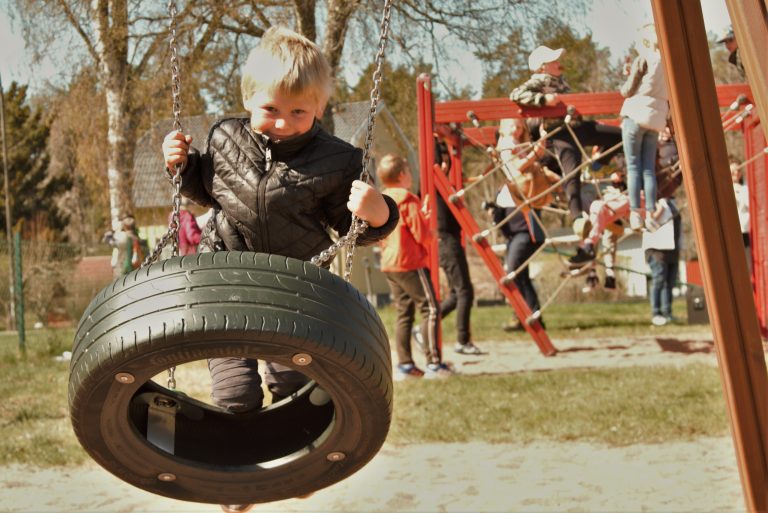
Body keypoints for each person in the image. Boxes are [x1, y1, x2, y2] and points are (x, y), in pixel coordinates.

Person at [161, 27, 398, 413]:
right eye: (271, 109)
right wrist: (180, 164)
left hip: (293, 290)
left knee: (291, 383)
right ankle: (234, 461)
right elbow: (204, 190)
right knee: (235, 391)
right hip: (224, 282)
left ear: (318, 108)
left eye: (298, 112)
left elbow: (349, 225)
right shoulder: (225, 136)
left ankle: (290, 455)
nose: (283, 123)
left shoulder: (337, 161)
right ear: (249, 99)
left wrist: (379, 212)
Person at [509, 45, 622, 222]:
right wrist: (543, 100)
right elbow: (516, 94)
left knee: (618, 136)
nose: (558, 63)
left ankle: (598, 163)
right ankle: (577, 217)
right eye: (553, 60)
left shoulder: (560, 80)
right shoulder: (540, 81)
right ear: (543, 66)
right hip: (560, 132)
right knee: (572, 171)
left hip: (578, 127)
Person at [377, 153, 453, 380]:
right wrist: (433, 233)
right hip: (410, 262)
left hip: (390, 263)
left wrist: (421, 216)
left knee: (404, 313)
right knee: (430, 309)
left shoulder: (383, 199)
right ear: (402, 175)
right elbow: (420, 234)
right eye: (409, 171)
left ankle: (406, 365)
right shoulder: (409, 200)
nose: (411, 175)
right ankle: (434, 363)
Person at [434, 137, 482, 355]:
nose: (444, 165)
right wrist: (436, 139)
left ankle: (424, 327)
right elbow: (433, 160)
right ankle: (463, 341)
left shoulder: (445, 185)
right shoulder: (432, 183)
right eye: (440, 160)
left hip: (449, 240)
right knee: (465, 292)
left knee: (457, 293)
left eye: (447, 161)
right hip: (445, 241)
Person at [620, 23, 669, 232]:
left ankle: (635, 213)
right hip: (656, 120)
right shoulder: (668, 63)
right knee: (648, 169)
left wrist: (628, 75)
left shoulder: (645, 58)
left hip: (635, 115)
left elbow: (627, 90)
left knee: (633, 167)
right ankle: (650, 213)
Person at [643, 198, 681, 326]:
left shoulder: (672, 203)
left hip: (672, 250)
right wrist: (660, 208)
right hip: (657, 250)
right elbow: (649, 222)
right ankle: (656, 313)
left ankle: (667, 313)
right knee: (658, 281)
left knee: (669, 283)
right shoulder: (653, 202)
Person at [730, 156, 751, 270]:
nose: (736, 173)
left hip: (746, 231)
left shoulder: (745, 188)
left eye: (738, 170)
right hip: (733, 231)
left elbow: (749, 204)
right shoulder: (726, 188)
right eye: (733, 171)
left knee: (747, 266)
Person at [104, 214, 142, 278]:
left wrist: (109, 236)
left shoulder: (122, 237)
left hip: (122, 268)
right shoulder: (137, 238)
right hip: (135, 269)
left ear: (124, 226)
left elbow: (110, 242)